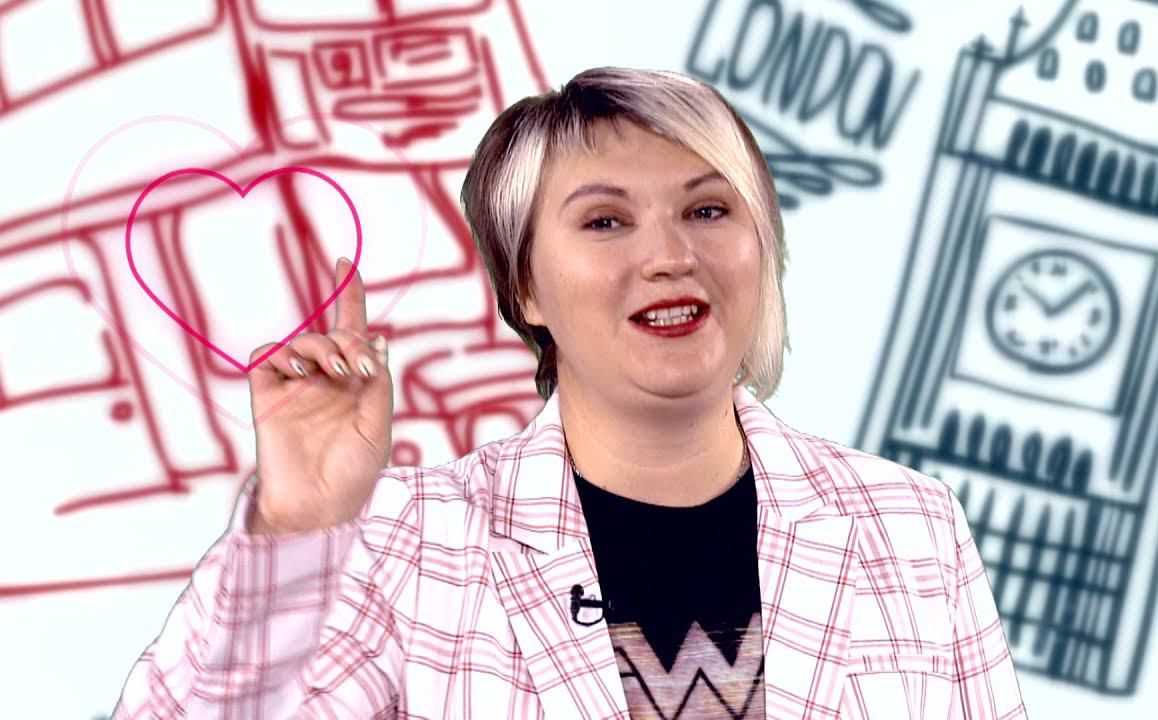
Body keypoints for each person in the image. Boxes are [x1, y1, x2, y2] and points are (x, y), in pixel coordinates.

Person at [112, 67, 1026, 719]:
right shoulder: (412, 542)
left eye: (708, 209)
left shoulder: (911, 528)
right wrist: (296, 527)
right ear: (526, 289)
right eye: (605, 221)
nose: (670, 255)